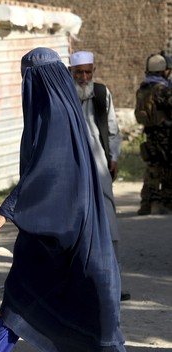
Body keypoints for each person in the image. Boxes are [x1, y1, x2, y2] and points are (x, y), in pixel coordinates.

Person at [0, 47, 136, 352]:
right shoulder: (58, 107)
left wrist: (5, 213)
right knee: (23, 287)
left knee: (92, 294)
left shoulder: (55, 115)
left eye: (28, 79)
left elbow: (48, 173)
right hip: (58, 222)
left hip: (69, 225)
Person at [68, 51, 130, 301]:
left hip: (101, 164)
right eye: (79, 72)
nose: (84, 77)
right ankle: (80, 284)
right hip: (73, 167)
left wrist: (113, 157)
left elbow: (113, 128)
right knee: (77, 222)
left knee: (108, 220)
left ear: (93, 70)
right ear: (71, 72)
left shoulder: (102, 93)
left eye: (87, 72)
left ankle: (112, 284)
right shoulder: (65, 93)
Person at [135, 53, 172, 215]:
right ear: (164, 71)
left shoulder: (143, 89)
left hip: (149, 135)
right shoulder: (162, 90)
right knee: (167, 170)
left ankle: (146, 204)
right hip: (165, 136)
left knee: (151, 169)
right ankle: (164, 203)